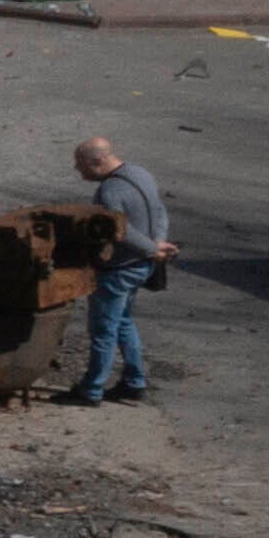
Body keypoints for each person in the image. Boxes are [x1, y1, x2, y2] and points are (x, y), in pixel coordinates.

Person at [67, 134, 177, 403]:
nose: (77, 169)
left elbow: (120, 231)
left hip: (119, 270)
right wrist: (157, 243)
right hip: (143, 267)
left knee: (103, 331)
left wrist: (151, 248)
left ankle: (91, 390)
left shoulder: (110, 192)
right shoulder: (140, 173)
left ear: (97, 161)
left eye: (80, 164)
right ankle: (134, 382)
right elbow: (160, 211)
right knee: (124, 322)